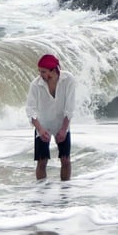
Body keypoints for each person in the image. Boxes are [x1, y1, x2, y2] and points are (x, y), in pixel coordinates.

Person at [26, 53, 75, 181]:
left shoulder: (68, 79)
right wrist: (40, 130)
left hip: (62, 123)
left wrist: (64, 130)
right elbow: (30, 110)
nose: (40, 75)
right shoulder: (36, 84)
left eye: (43, 72)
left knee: (65, 160)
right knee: (42, 162)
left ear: (53, 71)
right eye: (39, 71)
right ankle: (42, 194)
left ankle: (65, 193)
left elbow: (69, 108)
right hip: (43, 125)